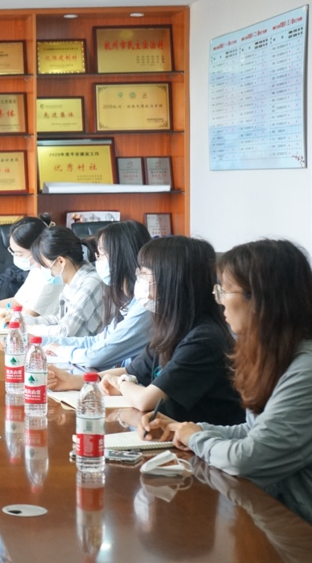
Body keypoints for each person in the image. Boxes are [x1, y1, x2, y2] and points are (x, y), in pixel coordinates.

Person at [143, 240, 312, 525]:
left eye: (224, 290)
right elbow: (254, 430)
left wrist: (195, 438)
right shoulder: (276, 356)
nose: (219, 299)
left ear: (260, 299)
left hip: (298, 526)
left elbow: (247, 459)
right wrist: (186, 428)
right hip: (269, 511)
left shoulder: (305, 370)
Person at [61, 236, 243, 424]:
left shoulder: (204, 338)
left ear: (171, 280)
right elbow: (131, 370)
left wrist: (122, 383)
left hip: (202, 439)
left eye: (144, 274)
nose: (138, 279)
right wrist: (71, 381)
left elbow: (145, 400)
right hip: (171, 433)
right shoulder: (172, 327)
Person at [44, 221, 153, 382]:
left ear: (120, 257)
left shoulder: (146, 306)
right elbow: (98, 341)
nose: (97, 261)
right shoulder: (128, 301)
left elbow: (97, 356)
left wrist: (60, 350)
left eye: (100, 255)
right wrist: (45, 342)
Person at [21, 226, 106, 338]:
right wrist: (23, 320)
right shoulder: (73, 281)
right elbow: (60, 319)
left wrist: (31, 329)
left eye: (44, 265)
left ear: (61, 261)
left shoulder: (91, 283)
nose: (41, 269)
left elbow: (66, 332)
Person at [0, 214, 63, 317]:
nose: (15, 257)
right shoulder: (38, 270)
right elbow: (18, 301)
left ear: (39, 249)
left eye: (19, 254)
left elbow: (27, 316)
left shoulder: (53, 277)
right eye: (13, 252)